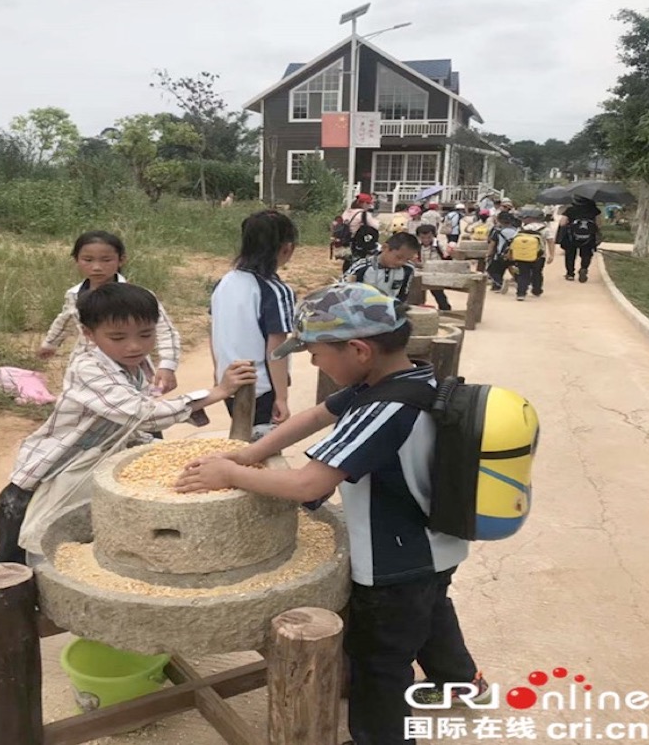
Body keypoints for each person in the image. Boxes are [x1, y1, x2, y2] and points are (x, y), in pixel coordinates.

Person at [177, 283, 486, 745]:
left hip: (394, 561)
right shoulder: (407, 378)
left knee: (380, 659)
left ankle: (381, 738)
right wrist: (249, 454)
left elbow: (309, 484)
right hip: (437, 544)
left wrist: (230, 475)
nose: (314, 363)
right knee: (430, 611)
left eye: (317, 354)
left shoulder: (384, 408)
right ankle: (461, 682)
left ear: (359, 349)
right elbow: (317, 415)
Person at [0, 283, 257, 677]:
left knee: (85, 551)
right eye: (118, 337)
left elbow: (145, 420)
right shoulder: (87, 367)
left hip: (87, 476)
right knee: (12, 565)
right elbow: (141, 414)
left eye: (145, 335)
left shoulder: (136, 366)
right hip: (43, 481)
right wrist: (216, 393)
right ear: (89, 335)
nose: (134, 346)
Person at [38, 231, 180, 394]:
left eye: (106, 260)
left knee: (129, 408)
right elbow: (65, 319)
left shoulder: (136, 297)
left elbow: (165, 330)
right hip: (86, 364)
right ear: (76, 260)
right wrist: (50, 344)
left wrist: (167, 365)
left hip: (126, 365)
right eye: (88, 260)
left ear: (121, 260)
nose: (97, 267)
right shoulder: (74, 295)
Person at [210, 209, 298, 428]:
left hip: (229, 382)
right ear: (287, 248)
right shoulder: (276, 291)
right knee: (261, 451)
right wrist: (281, 397)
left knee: (242, 441)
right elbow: (276, 348)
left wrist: (218, 374)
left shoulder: (224, 283)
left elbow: (214, 332)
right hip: (261, 389)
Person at [343, 231, 420, 301]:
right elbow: (343, 290)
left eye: (407, 259)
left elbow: (403, 295)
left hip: (390, 310)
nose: (401, 262)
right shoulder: (362, 266)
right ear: (385, 248)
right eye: (398, 257)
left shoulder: (408, 269)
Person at [508, 206, 555, 300]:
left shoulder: (522, 228)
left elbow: (514, 241)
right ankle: (536, 290)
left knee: (523, 274)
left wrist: (511, 254)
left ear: (531, 218)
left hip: (522, 255)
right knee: (537, 273)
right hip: (539, 255)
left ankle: (521, 293)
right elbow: (550, 241)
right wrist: (551, 254)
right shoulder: (545, 229)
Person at [558, 196, 601, 282]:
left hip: (571, 237)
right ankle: (584, 268)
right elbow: (599, 224)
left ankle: (570, 274)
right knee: (587, 254)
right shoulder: (594, 210)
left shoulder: (570, 209)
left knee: (570, 254)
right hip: (588, 237)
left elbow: (562, 223)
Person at [415, 224, 452, 311]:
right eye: (423, 238)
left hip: (436, 272)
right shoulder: (417, 246)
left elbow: (446, 256)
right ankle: (418, 309)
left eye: (429, 237)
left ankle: (445, 309)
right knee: (417, 292)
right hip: (422, 271)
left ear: (433, 236)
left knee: (437, 292)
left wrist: (448, 254)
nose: (426, 240)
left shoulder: (438, 245)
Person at [486, 211, 518, 292]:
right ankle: (520, 283)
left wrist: (488, 254)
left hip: (499, 255)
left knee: (493, 271)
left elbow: (492, 244)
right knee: (513, 269)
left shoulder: (497, 231)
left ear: (499, 220)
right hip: (513, 255)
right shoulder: (517, 231)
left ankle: (498, 285)